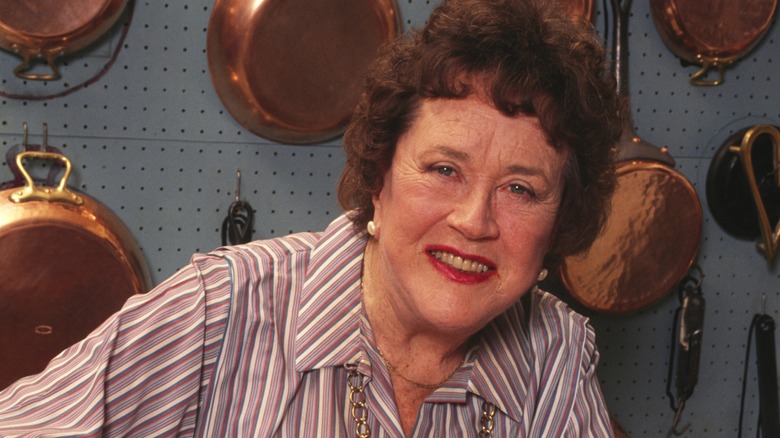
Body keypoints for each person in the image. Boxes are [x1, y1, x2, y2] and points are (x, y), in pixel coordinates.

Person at [0, 0, 623, 435]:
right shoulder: (222, 310)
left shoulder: (555, 353)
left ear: (558, 220)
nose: (474, 220)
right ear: (379, 177)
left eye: (520, 188)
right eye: (444, 170)